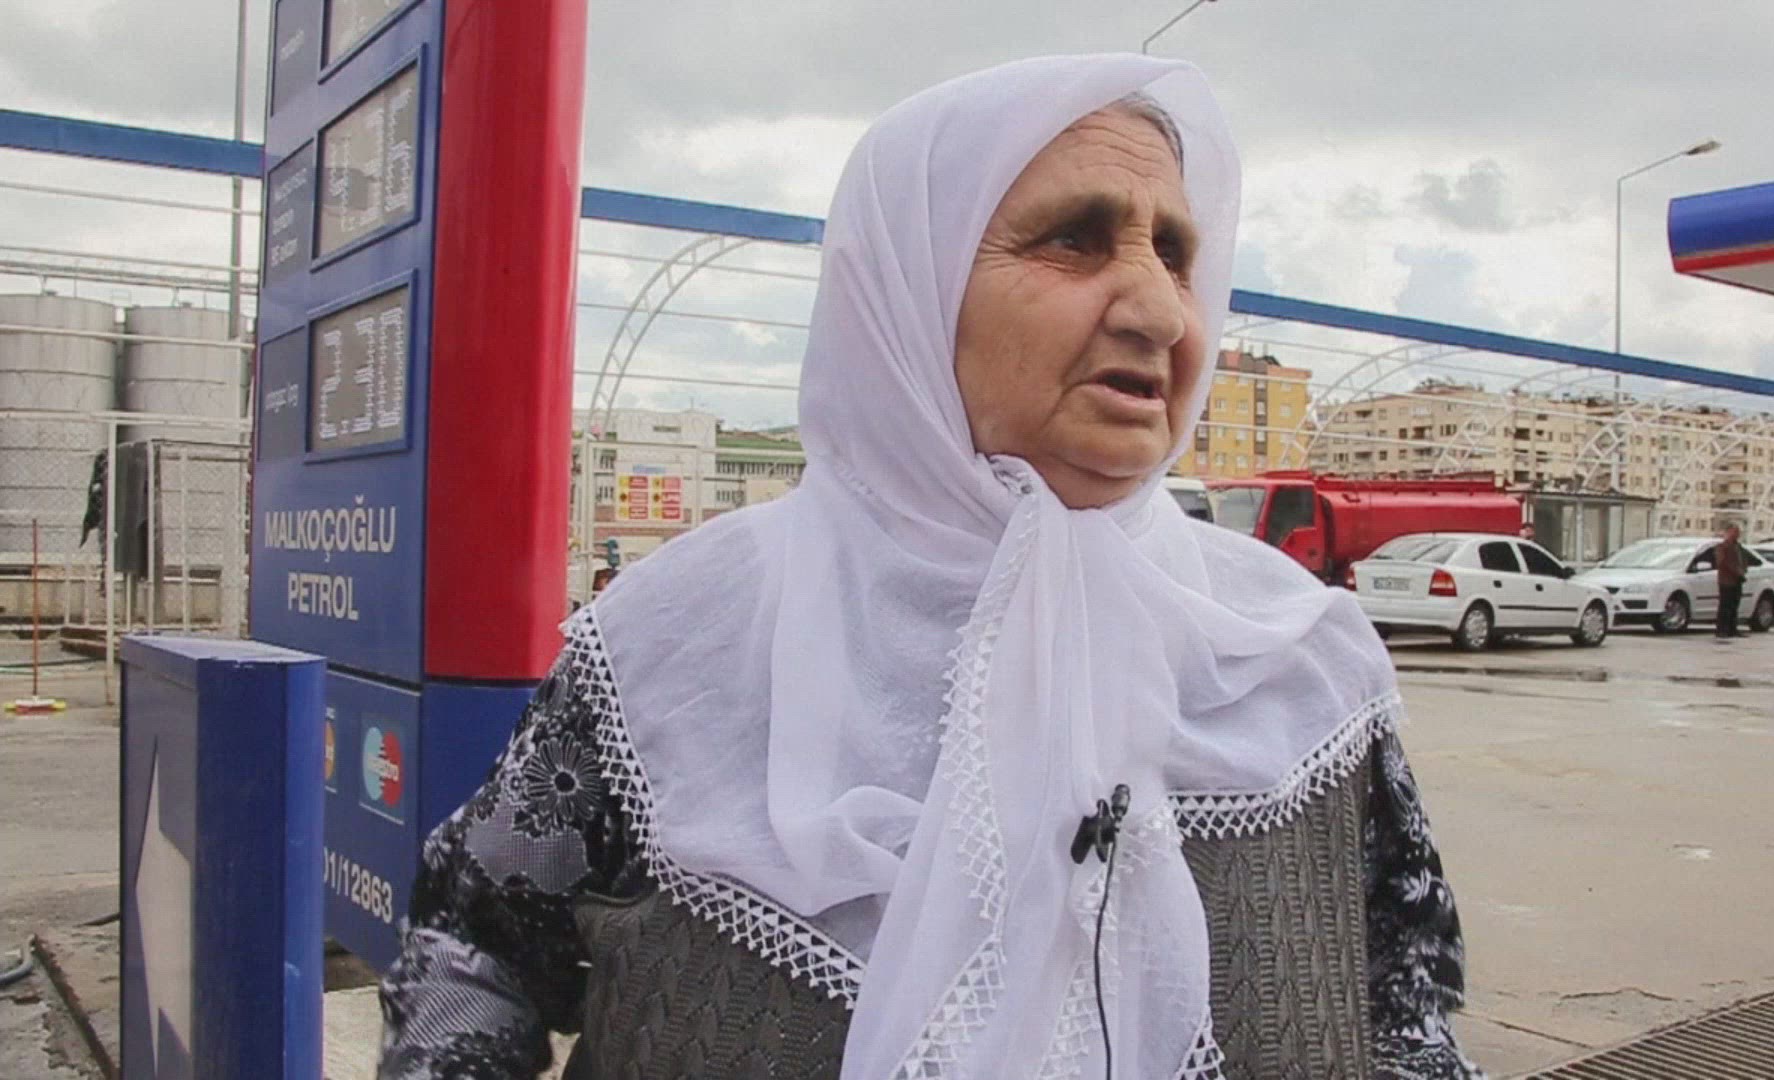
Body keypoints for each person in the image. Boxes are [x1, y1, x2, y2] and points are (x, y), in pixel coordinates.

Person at [378, 55, 1479, 1080]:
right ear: (905, 289)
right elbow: (474, 950)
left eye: (1178, 255)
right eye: (1076, 240)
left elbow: (1409, 1015)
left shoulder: (1303, 663)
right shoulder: (679, 638)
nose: (1158, 311)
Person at [1714, 522, 1746, 639]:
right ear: (1727, 532)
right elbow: (1722, 562)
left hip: (1737, 580)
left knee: (1734, 605)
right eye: (1734, 532)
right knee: (1725, 606)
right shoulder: (1722, 547)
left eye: (1738, 532)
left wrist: (1743, 570)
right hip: (1726, 581)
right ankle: (1722, 630)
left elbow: (1743, 560)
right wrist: (1736, 572)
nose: (1737, 534)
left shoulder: (1738, 547)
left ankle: (1732, 629)